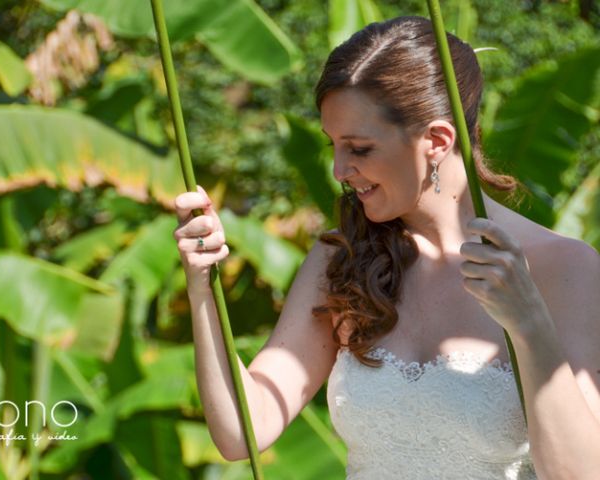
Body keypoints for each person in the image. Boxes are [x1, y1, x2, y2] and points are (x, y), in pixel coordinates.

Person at [173, 16, 600, 480]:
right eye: (333, 145)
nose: (339, 169)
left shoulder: (564, 267)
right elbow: (242, 431)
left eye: (358, 148)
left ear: (436, 141)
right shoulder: (343, 257)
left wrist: (530, 325)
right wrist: (202, 288)